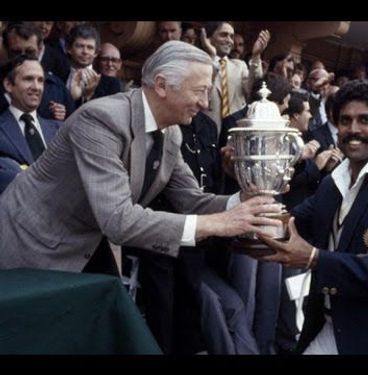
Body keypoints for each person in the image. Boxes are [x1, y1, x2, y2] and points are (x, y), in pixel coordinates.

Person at [0, 41, 282, 277]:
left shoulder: (171, 133)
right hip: (30, 245)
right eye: (199, 92)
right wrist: (218, 223)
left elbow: (191, 200)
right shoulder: (100, 120)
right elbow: (119, 219)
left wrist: (243, 203)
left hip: (86, 244)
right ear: (161, 85)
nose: (205, 104)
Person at [255, 80, 368, 354]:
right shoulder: (333, 182)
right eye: (345, 120)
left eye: (365, 120)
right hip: (328, 329)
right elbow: (290, 223)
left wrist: (317, 259)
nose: (353, 129)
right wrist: (250, 198)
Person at [0, 54, 62, 194]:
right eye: (28, 79)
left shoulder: (60, 129)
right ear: (8, 85)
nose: (36, 87)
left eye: (40, 80)